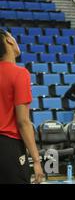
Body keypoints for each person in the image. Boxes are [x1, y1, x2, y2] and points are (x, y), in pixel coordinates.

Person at [0, 28, 44, 184]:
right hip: (8, 147)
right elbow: (23, 121)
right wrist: (37, 161)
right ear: (9, 40)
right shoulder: (20, 73)